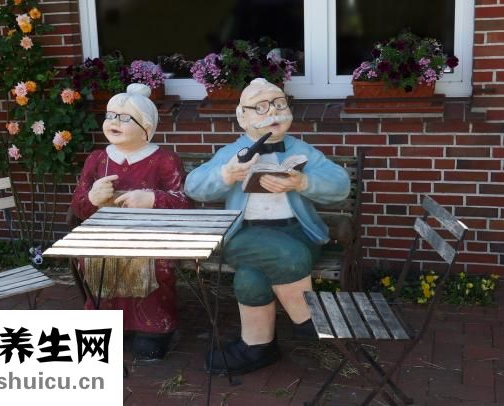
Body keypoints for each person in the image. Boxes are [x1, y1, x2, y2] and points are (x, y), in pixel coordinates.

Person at [184, 78, 350, 375]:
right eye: (260, 107)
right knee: (287, 255)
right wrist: (227, 175)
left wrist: (304, 182)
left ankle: (258, 347)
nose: (272, 111)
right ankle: (309, 321)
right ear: (242, 117)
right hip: (244, 235)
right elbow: (193, 186)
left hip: (297, 231)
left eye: (278, 104)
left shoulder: (301, 149)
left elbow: (340, 184)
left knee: (250, 278)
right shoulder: (232, 153)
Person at [71, 83, 192, 360]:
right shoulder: (97, 159)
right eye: (110, 115)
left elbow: (183, 201)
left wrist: (152, 199)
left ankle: (152, 328)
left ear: (146, 127)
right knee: (94, 259)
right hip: (105, 232)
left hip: (151, 233)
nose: (114, 122)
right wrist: (92, 198)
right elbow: (78, 204)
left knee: (153, 265)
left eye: (125, 118)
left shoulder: (165, 159)